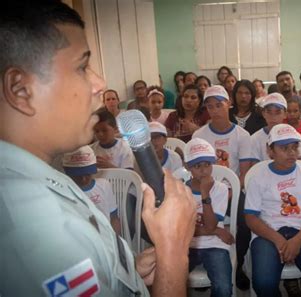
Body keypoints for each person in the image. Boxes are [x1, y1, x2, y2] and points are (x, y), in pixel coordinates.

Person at [0, 1, 196, 296]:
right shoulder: (35, 231)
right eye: (82, 66)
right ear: (20, 90)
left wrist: (122, 275)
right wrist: (172, 255)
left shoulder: (40, 178)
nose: (100, 83)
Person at [244, 124, 301, 297]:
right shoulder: (258, 177)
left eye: (294, 147)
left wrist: (297, 241)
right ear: (270, 151)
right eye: (284, 148)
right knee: (263, 284)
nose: (292, 153)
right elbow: (251, 218)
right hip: (268, 234)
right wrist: (278, 240)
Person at [192, 85, 253, 290]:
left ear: (229, 105)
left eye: (219, 105)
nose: (214, 110)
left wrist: (231, 192)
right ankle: (200, 258)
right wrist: (207, 190)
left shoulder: (242, 136)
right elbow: (194, 169)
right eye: (209, 106)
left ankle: (238, 264)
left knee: (246, 219)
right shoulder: (199, 135)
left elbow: (244, 173)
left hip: (232, 191)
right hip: (204, 189)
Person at [184, 138, 234, 297]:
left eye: (207, 165)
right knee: (170, 280)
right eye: (197, 166)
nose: (204, 170)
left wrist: (205, 193)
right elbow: (183, 230)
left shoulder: (221, 189)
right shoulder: (180, 191)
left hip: (215, 246)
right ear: (187, 167)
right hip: (186, 246)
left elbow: (211, 225)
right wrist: (217, 231)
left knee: (223, 288)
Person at [63, 145, 121, 234]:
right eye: (77, 176)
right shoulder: (64, 191)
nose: (83, 179)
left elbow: (114, 218)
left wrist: (115, 240)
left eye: (87, 174)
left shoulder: (104, 185)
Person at [250, 93, 288, 162]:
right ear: (264, 113)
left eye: (278, 112)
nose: (273, 117)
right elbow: (255, 168)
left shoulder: (293, 136)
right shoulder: (255, 139)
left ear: (285, 114)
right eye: (269, 112)